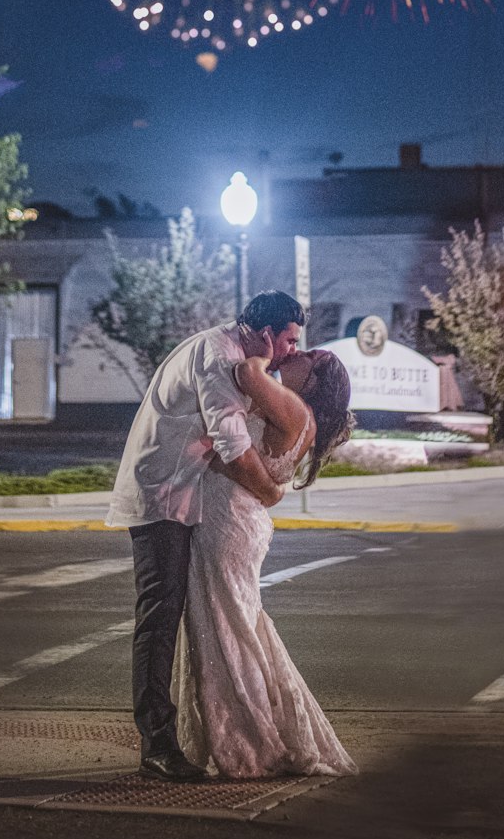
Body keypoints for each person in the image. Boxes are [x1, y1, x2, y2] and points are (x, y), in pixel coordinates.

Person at [106, 290, 305, 781]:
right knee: (160, 617)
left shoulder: (234, 357)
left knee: (175, 615)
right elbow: (233, 447)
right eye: (288, 341)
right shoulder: (219, 359)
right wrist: (274, 494)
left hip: (181, 496)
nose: (292, 352)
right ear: (264, 335)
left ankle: (182, 734)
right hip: (159, 498)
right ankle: (156, 744)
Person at [174, 345, 358, 778]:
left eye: (304, 354)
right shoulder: (297, 411)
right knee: (235, 627)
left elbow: (245, 370)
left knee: (228, 630)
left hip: (228, 521)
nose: (293, 353)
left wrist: (266, 352)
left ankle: (251, 741)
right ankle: (257, 730)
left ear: (312, 378)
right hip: (236, 519)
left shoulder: (292, 406)